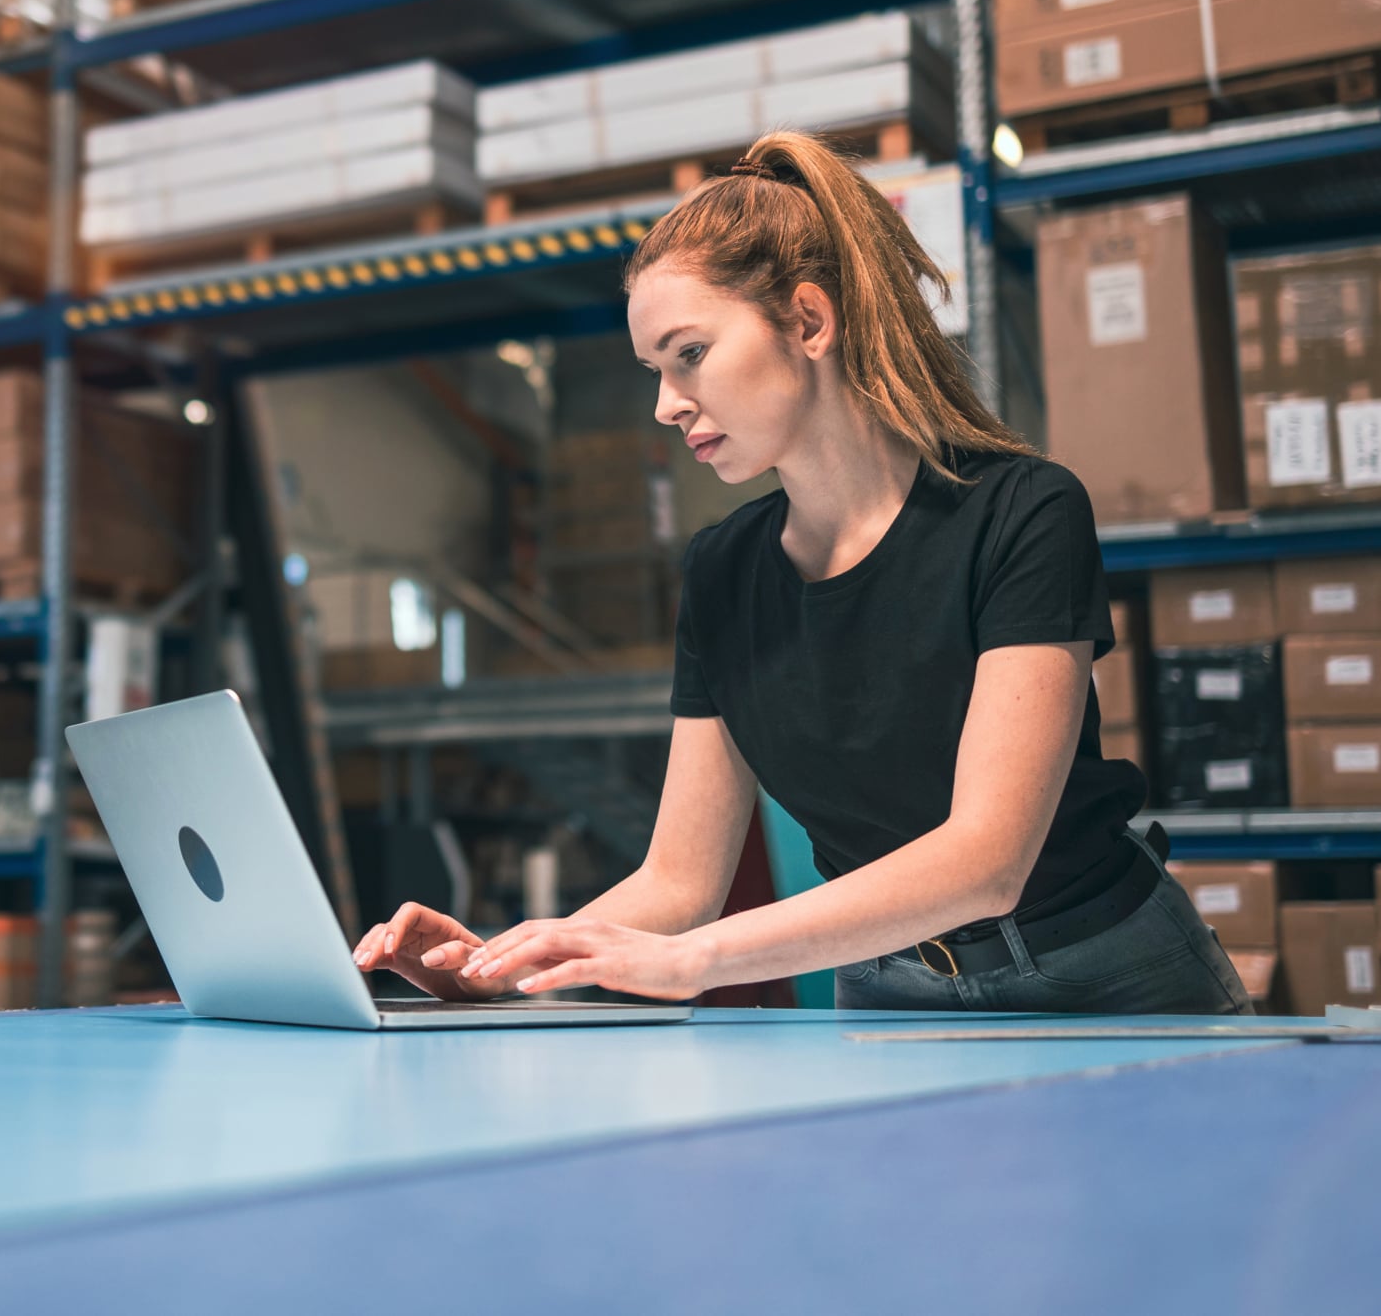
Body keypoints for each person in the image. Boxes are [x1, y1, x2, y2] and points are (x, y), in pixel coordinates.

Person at [353, 129, 1253, 1015]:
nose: (667, 404)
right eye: (652, 370)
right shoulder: (720, 571)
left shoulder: (1021, 511)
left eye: (689, 354)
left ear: (808, 321)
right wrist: (506, 966)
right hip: (887, 987)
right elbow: (676, 879)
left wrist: (694, 959)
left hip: (1104, 977)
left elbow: (987, 860)